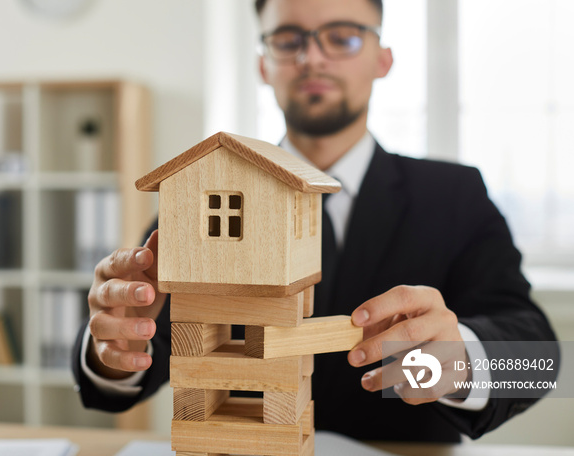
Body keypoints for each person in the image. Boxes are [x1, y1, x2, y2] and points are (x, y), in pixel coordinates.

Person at [72, 0, 558, 443]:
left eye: (342, 36)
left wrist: (463, 361)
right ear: (263, 64)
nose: (312, 58)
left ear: (382, 59)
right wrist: (112, 352)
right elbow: (139, 345)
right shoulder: (205, 192)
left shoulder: (455, 195)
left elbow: (538, 363)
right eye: (288, 40)